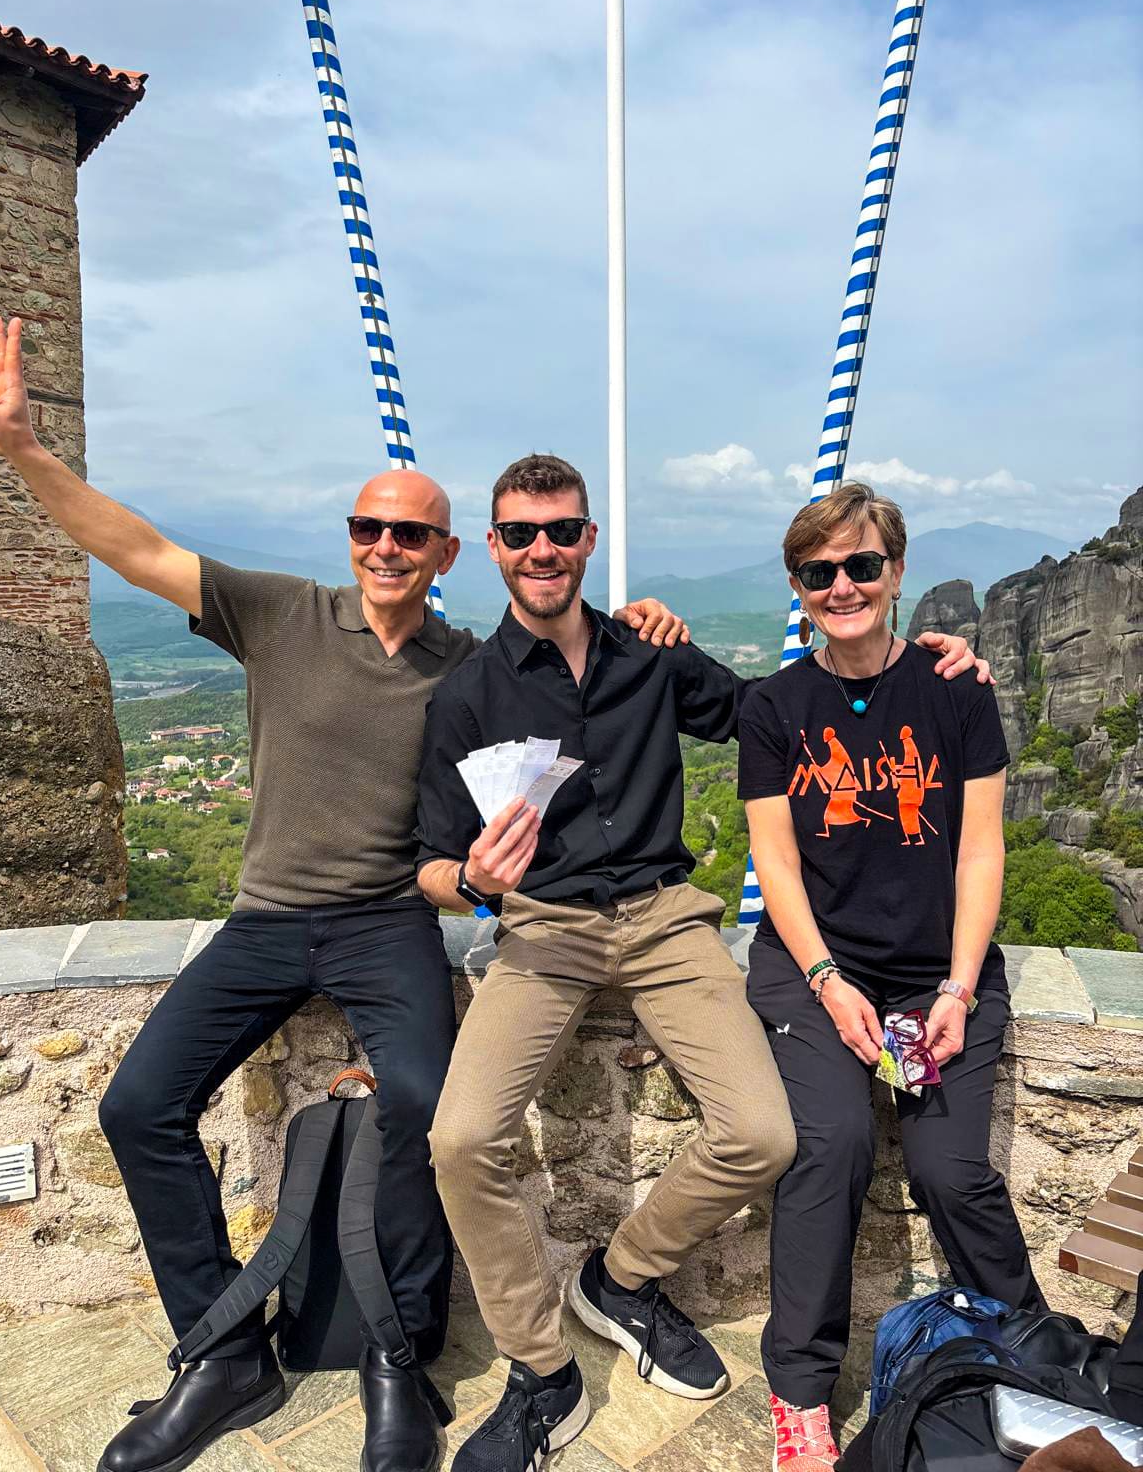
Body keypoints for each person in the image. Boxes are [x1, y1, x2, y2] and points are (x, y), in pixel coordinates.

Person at [0, 320, 685, 1472]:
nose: (386, 546)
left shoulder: (468, 663)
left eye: (411, 533)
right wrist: (23, 450)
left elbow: (579, 667)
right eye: (368, 527)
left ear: (448, 553)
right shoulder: (280, 613)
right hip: (265, 919)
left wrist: (646, 625)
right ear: (350, 539)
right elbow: (132, 548)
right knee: (136, 1106)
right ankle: (221, 1353)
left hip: (388, 922)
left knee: (425, 1106)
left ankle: (399, 1355)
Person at [414, 455, 988, 1472]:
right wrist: (471, 877)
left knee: (763, 1133)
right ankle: (541, 1369)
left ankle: (621, 1277)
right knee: (461, 1140)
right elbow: (428, 866)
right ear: (494, 547)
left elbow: (786, 711)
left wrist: (919, 659)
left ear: (589, 540)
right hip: (543, 927)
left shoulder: (652, 655)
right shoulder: (467, 693)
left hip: (667, 919)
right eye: (522, 533)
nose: (543, 549)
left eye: (562, 530)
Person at [738, 481, 1043, 1471]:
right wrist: (829, 979)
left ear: (897, 571)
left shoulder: (957, 691)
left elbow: (981, 851)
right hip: (812, 971)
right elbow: (776, 863)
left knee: (952, 1171)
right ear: (798, 587)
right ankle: (800, 1390)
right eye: (818, 572)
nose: (842, 586)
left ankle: (1033, 1355)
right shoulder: (775, 707)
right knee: (829, 1147)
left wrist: (957, 989)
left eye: (861, 565)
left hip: (935, 976)